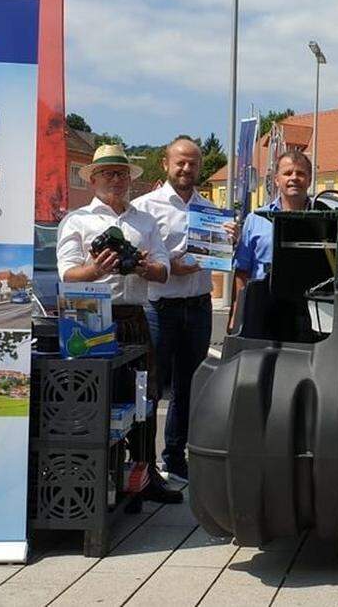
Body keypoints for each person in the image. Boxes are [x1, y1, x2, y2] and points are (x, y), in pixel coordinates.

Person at [56, 143, 180, 504]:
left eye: (122, 173)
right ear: (93, 179)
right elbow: (66, 273)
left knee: (144, 395)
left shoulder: (144, 221)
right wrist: (95, 270)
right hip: (90, 314)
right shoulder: (77, 221)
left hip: (134, 315)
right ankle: (94, 475)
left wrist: (142, 266)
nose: (116, 179)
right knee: (95, 397)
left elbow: (163, 270)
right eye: (108, 173)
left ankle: (145, 475)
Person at [133, 137, 234, 482]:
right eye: (180, 162)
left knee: (189, 387)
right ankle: (142, 462)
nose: (186, 169)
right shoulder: (144, 208)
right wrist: (169, 266)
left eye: (192, 163)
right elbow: (138, 260)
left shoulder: (210, 210)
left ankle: (175, 458)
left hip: (199, 305)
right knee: (151, 385)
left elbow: (218, 254)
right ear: (165, 164)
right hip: (160, 308)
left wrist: (226, 240)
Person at [231, 148, 313, 321]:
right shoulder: (255, 219)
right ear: (276, 180)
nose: (294, 178)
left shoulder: (324, 219)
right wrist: (237, 314)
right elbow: (242, 271)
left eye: (300, 173)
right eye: (287, 173)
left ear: (310, 179)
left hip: (309, 309)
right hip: (262, 307)